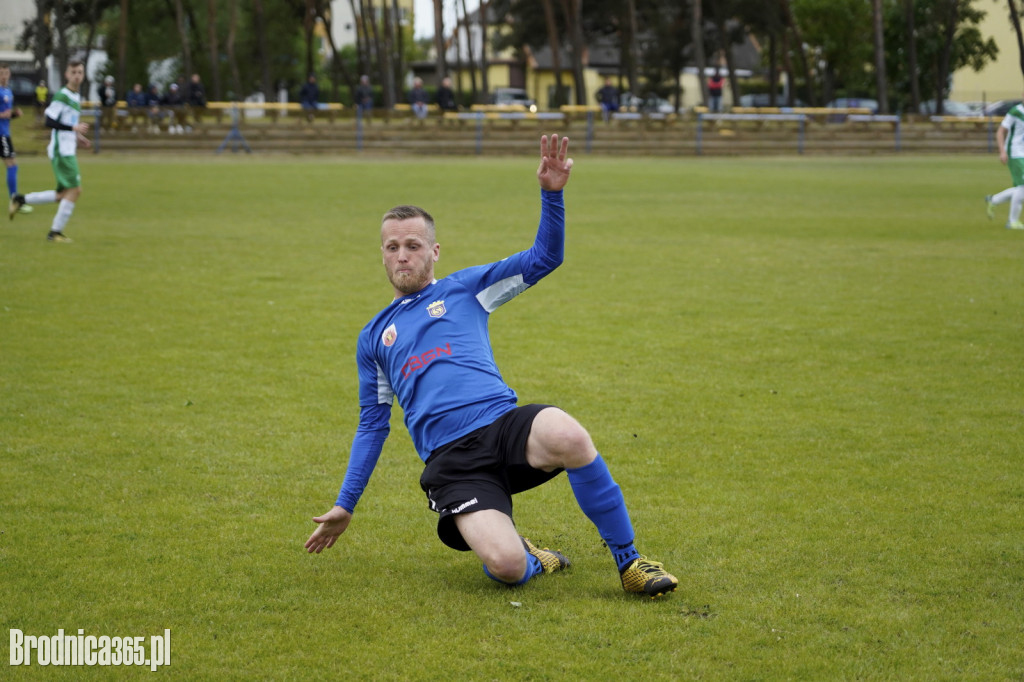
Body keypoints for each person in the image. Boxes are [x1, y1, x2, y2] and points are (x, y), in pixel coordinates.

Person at [304, 135, 679, 598]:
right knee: (505, 566)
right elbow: (372, 425)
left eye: (414, 245)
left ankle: (630, 562)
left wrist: (552, 194)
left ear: (434, 251)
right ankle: (532, 558)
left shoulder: (466, 289)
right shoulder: (373, 338)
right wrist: (346, 504)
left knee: (568, 434)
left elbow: (546, 258)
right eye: (393, 247)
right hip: (454, 465)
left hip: (504, 428)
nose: (403, 255)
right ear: (382, 254)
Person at [9, 60, 91, 242]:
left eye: (80, 72)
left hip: (68, 148)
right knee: (75, 190)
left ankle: (20, 200)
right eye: (74, 72)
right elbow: (49, 121)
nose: (77, 75)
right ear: (67, 75)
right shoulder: (62, 95)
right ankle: (54, 232)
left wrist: (79, 137)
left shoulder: (76, 96)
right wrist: (73, 130)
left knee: (62, 194)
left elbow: (68, 122)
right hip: (62, 151)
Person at [986, 99, 1024, 230]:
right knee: (1022, 187)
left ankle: (994, 200)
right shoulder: (1016, 111)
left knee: (1021, 188)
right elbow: (1000, 131)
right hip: (1015, 153)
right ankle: (1012, 221)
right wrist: (1002, 151)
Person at [0, 63, 32, 215]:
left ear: (9, 74)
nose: (4, 76)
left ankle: (15, 200)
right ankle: (15, 200)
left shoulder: (8, 91)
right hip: (1, 135)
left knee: (12, 165)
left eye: (6, 73)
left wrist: (13, 114)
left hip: (5, 133)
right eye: (1, 73)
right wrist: (3, 115)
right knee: (12, 165)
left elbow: (6, 116)